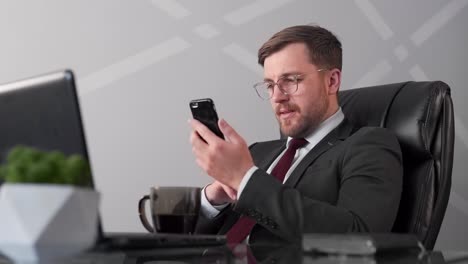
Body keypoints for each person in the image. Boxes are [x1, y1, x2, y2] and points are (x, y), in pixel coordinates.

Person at [189, 25, 403, 245]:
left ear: (332, 81)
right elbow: (186, 242)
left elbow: (358, 239)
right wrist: (213, 199)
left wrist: (245, 180)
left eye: (291, 81)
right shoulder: (255, 153)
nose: (277, 97)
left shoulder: (368, 145)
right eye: (270, 85)